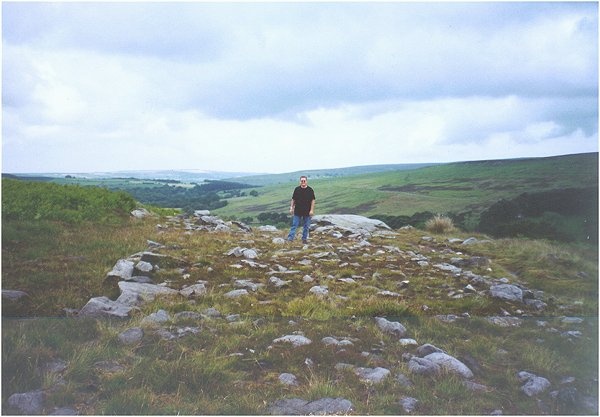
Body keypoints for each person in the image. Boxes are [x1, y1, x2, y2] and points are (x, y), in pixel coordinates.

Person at [287, 175, 315, 244]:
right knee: (294, 225)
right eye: (301, 181)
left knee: (306, 226)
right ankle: (290, 238)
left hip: (307, 211)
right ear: (300, 182)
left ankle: (304, 239)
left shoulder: (310, 190)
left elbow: (313, 201)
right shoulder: (297, 189)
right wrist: (291, 208)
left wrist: (311, 210)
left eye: (304, 181)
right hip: (297, 211)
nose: (303, 182)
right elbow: (293, 199)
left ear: (306, 181)